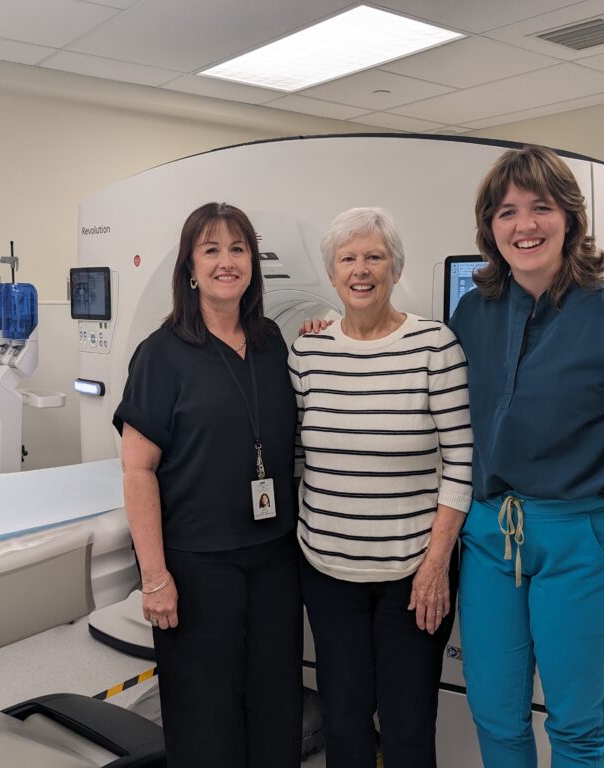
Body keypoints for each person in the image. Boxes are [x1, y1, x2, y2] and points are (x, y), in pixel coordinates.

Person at [449, 145, 604, 768]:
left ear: (570, 218)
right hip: (491, 535)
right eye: (506, 212)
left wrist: (598, 516)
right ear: (489, 227)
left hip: (587, 538)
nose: (523, 225)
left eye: (540, 208)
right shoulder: (474, 312)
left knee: (578, 724)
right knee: (495, 713)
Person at [113, 202, 302, 768]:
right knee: (204, 719)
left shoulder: (270, 342)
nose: (227, 261)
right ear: (190, 268)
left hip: (274, 557)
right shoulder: (161, 354)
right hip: (197, 564)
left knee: (276, 708)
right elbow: (137, 469)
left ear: (253, 263)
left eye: (238, 248)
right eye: (211, 250)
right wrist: (154, 578)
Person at [289, 207, 473, 768]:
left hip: (412, 578)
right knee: (343, 719)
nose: (361, 269)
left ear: (395, 268)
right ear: (332, 272)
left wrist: (436, 563)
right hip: (328, 573)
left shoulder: (435, 346)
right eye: (348, 258)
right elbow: (295, 454)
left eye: (374, 256)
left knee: (408, 722)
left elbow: (461, 463)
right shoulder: (308, 350)